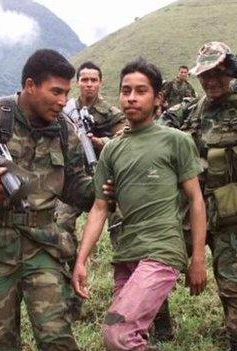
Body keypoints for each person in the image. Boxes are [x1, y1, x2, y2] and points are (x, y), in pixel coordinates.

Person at [0, 49, 95, 350]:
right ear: (30, 85)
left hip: (44, 245)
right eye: (55, 92)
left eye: (67, 93)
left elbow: (76, 184)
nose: (62, 101)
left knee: (57, 336)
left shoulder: (65, 129)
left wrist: (107, 190)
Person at [71, 58, 208, 351]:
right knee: (128, 338)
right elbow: (99, 207)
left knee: (117, 333)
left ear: (158, 98)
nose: (131, 97)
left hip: (161, 250)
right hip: (126, 253)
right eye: (126, 90)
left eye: (141, 91)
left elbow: (196, 200)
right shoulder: (112, 149)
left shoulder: (176, 141)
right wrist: (81, 260)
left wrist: (198, 258)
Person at [183, 41, 237, 351]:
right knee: (160, 262)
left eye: (218, 73)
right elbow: (154, 129)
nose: (211, 81)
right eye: (204, 75)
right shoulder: (190, 109)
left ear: (230, 71)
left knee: (232, 284)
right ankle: (160, 328)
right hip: (191, 209)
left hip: (230, 211)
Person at [57, 61, 126, 244]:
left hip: (106, 176)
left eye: (93, 80)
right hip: (75, 176)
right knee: (60, 223)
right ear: (77, 82)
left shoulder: (112, 113)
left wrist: (99, 142)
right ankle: (70, 266)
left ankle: (125, 267)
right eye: (85, 79)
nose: (89, 84)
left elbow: (125, 140)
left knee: (121, 223)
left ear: (100, 83)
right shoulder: (64, 111)